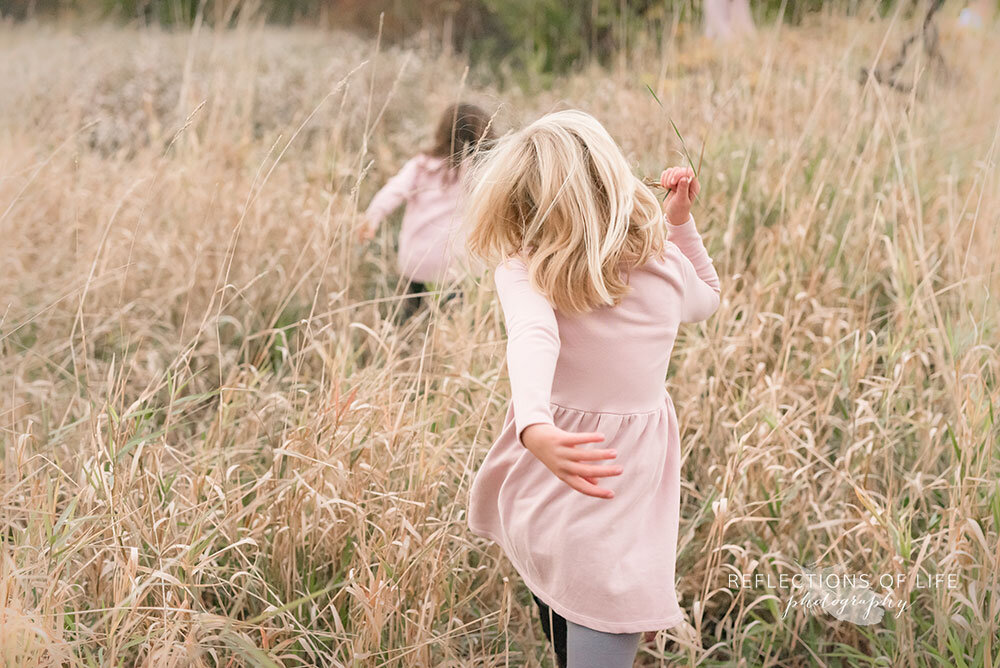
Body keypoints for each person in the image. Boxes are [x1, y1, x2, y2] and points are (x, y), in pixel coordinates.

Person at [465, 110, 720, 667]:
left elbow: (532, 335)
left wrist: (535, 425)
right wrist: (680, 225)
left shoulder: (525, 266)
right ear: (613, 181)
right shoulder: (666, 264)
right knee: (593, 614)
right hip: (614, 483)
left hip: (551, 477)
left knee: (559, 597)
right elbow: (710, 296)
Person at [360, 103, 495, 319]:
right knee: (452, 315)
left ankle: (406, 339)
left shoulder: (421, 165)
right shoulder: (482, 173)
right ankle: (444, 344)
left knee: (411, 310)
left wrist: (372, 218)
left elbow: (393, 191)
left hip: (417, 259)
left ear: (442, 132)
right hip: (455, 264)